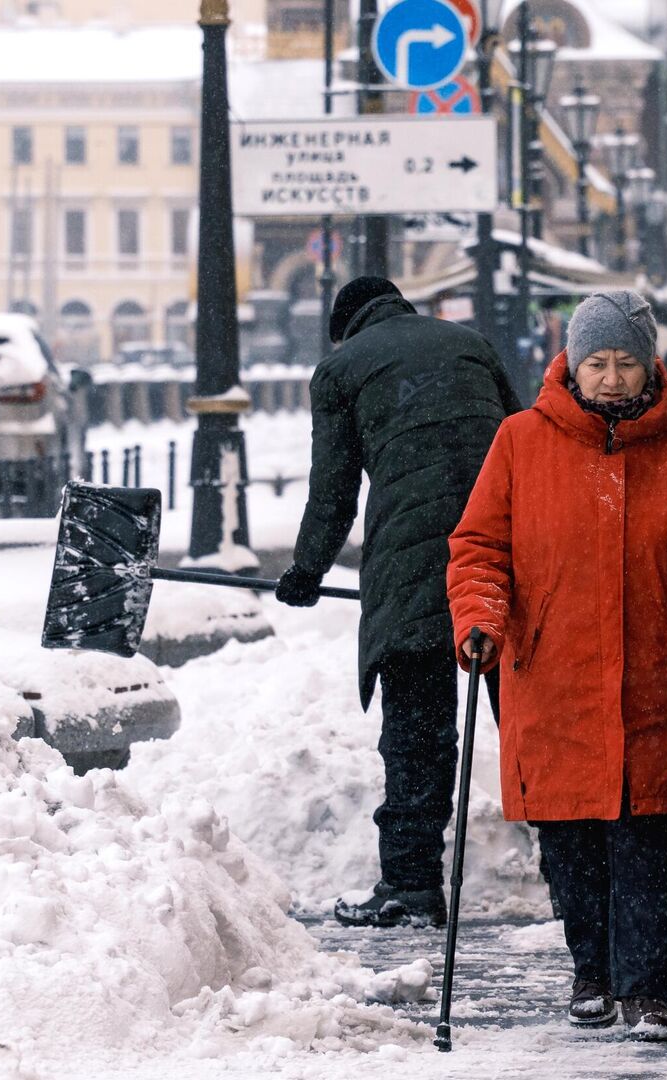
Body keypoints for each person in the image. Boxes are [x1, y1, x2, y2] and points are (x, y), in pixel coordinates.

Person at [447, 290, 667, 1043]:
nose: (609, 378)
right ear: (570, 362)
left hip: (659, 674)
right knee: (571, 843)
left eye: (624, 363)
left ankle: (646, 992)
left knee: (648, 839)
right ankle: (591, 973)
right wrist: (478, 619)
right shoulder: (521, 441)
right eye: (596, 362)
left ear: (649, 364)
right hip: (555, 676)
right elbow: (479, 547)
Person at [277, 276, 523, 927]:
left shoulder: (338, 370)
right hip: (505, 548)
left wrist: (306, 571)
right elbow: (527, 437)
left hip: (412, 566)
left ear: (344, 328)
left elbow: (333, 493)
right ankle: (572, 867)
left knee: (417, 730)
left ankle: (412, 884)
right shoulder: (471, 344)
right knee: (528, 718)